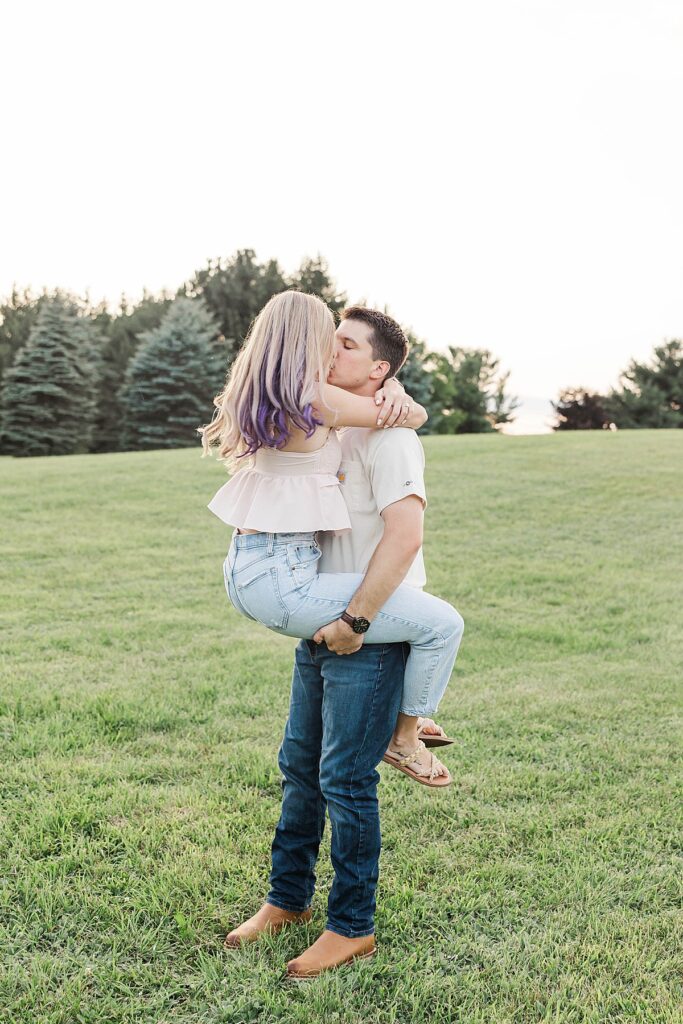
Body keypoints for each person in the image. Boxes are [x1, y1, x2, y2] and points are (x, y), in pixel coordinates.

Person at [200, 292, 465, 977]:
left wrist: (355, 623)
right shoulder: (328, 417)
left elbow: (405, 536)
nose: (330, 350)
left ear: (376, 371)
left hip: (363, 623)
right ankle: (286, 900)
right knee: (298, 769)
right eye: (330, 340)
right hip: (315, 611)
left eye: (346, 345)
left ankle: (351, 926)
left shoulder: (388, 437)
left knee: (345, 780)